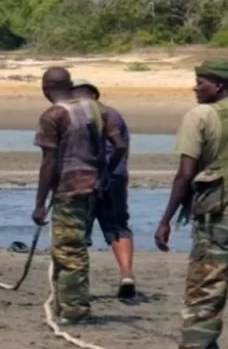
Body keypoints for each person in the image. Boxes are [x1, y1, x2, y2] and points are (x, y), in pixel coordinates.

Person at [155, 59, 228, 348]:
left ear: (218, 85)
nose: (195, 87)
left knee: (206, 288)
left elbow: (185, 174)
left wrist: (166, 219)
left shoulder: (201, 115)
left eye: (201, 82)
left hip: (220, 214)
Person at [32, 67, 127, 325]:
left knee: (70, 251)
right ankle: (65, 306)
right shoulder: (97, 109)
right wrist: (104, 169)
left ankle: (75, 311)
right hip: (93, 187)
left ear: (45, 88)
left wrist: (40, 203)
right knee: (68, 247)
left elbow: (48, 162)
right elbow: (119, 145)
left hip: (69, 189)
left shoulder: (53, 115)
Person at [72, 79, 137, 299]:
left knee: (78, 229)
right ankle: (127, 274)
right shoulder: (112, 113)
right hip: (115, 177)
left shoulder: (74, 115)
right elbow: (121, 145)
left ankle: (77, 283)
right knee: (118, 226)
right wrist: (111, 170)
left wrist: (102, 172)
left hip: (85, 177)